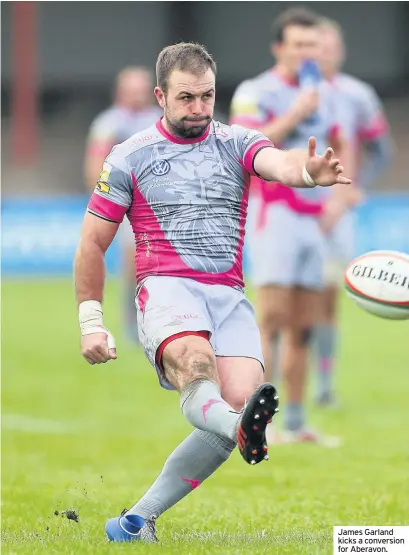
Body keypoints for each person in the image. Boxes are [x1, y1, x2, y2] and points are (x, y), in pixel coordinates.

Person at [74, 42, 351, 542]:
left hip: (227, 293)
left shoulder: (237, 141)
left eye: (207, 96)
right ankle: (241, 427)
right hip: (166, 286)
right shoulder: (128, 156)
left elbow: (280, 164)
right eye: (186, 98)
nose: (199, 108)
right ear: (161, 96)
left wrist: (309, 172)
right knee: (198, 371)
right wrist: (90, 321)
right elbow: (93, 242)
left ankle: (135, 521)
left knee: (238, 403)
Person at [230, 7, 355, 443]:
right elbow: (245, 146)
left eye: (313, 46)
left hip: (314, 219)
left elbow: (341, 141)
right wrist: (296, 112)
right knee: (273, 318)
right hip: (274, 213)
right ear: (279, 48)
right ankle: (256, 422)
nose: (308, 53)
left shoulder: (326, 91)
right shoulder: (254, 90)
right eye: (299, 45)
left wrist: (341, 196)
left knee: (306, 322)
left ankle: (297, 421)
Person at [314, 18, 393, 406]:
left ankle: (324, 386)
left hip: (336, 212)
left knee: (328, 299)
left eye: (330, 46)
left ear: (340, 51)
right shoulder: (284, 92)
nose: (323, 53)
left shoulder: (357, 95)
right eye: (316, 45)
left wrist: (353, 190)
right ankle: (272, 384)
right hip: (289, 212)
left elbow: (382, 150)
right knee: (283, 304)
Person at [84, 67, 162, 342]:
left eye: (142, 89)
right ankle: (134, 324)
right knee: (136, 265)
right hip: (129, 205)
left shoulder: (159, 119)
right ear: (120, 92)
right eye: (133, 89)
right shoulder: (109, 123)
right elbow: (95, 165)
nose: (139, 95)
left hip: (163, 205)